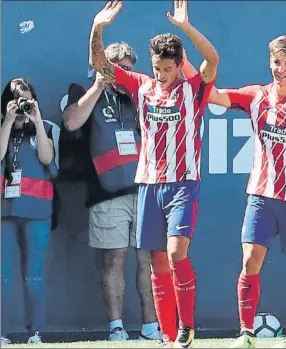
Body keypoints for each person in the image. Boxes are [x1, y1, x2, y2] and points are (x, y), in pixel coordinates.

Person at [88, 0, 219, 347]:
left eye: (166, 68)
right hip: (148, 184)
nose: (160, 74)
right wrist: (97, 27)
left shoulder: (194, 89)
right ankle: (167, 333)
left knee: (177, 253)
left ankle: (186, 327)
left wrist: (186, 28)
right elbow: (99, 64)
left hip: (183, 183)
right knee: (157, 263)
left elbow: (213, 60)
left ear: (179, 65)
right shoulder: (142, 86)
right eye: (156, 68)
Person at [206, 35, 286, 348]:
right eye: (277, 62)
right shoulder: (255, 95)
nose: (281, 68)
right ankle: (246, 333)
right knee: (250, 259)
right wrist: (195, 65)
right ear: (270, 62)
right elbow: (214, 96)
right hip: (261, 196)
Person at [62, 42, 160, 341]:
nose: (125, 72)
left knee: (148, 259)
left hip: (144, 188)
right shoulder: (85, 90)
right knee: (114, 258)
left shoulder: (142, 93)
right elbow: (71, 121)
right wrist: (100, 83)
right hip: (106, 190)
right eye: (120, 67)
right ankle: (116, 328)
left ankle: (150, 327)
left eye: (130, 67)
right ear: (106, 66)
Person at [1, 78, 58, 345]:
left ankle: (35, 331)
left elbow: (47, 159)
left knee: (33, 274)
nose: (23, 104)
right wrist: (8, 121)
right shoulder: (4, 127)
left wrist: (36, 120)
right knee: (3, 274)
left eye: (27, 98)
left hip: (37, 211)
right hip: (5, 211)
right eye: (17, 99)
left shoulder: (43, 128)